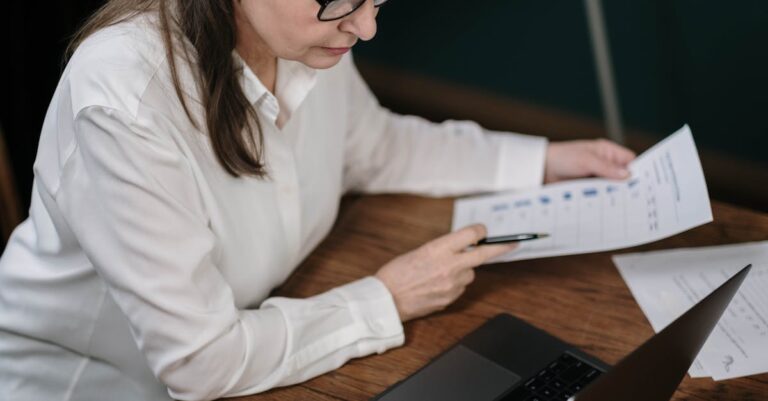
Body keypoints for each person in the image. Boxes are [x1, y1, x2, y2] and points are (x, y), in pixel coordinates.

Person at [0, 1, 636, 400]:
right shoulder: (124, 100)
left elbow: (376, 146)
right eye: (343, 2)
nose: (366, 26)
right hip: (92, 380)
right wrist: (388, 298)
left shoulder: (303, 37)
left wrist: (542, 162)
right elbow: (199, 362)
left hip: (268, 326)